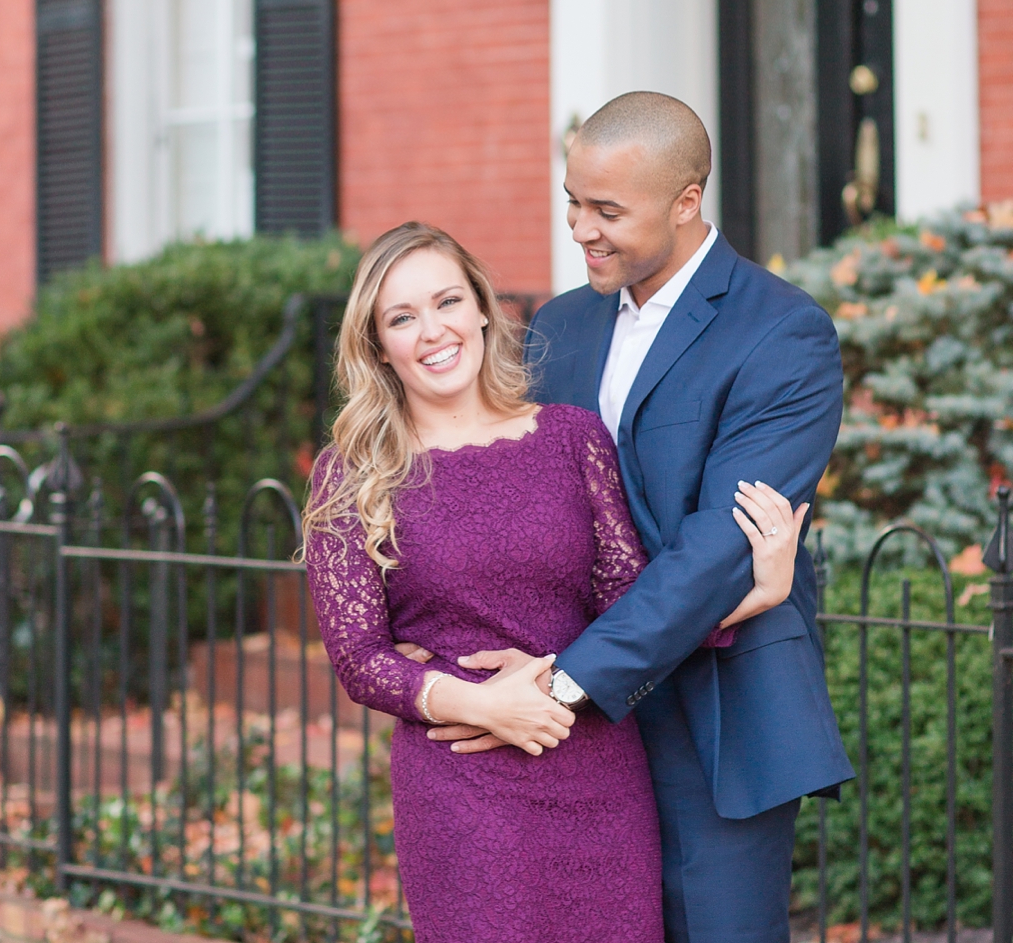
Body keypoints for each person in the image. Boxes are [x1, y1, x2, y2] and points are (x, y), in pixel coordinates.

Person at [302, 219, 807, 943]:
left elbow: (630, 607)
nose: (433, 330)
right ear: (379, 344)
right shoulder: (351, 474)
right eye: (402, 317)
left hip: (596, 769)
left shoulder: (572, 438)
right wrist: (479, 703)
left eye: (447, 301)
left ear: (482, 306)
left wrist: (755, 592)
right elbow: (358, 656)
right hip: (462, 785)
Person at [426, 92, 854, 943]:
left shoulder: (784, 334)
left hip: (717, 715)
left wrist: (565, 677)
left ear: (687, 201)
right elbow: (510, 494)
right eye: (573, 204)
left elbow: (716, 548)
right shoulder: (560, 324)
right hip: (569, 725)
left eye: (608, 211)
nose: (582, 229)